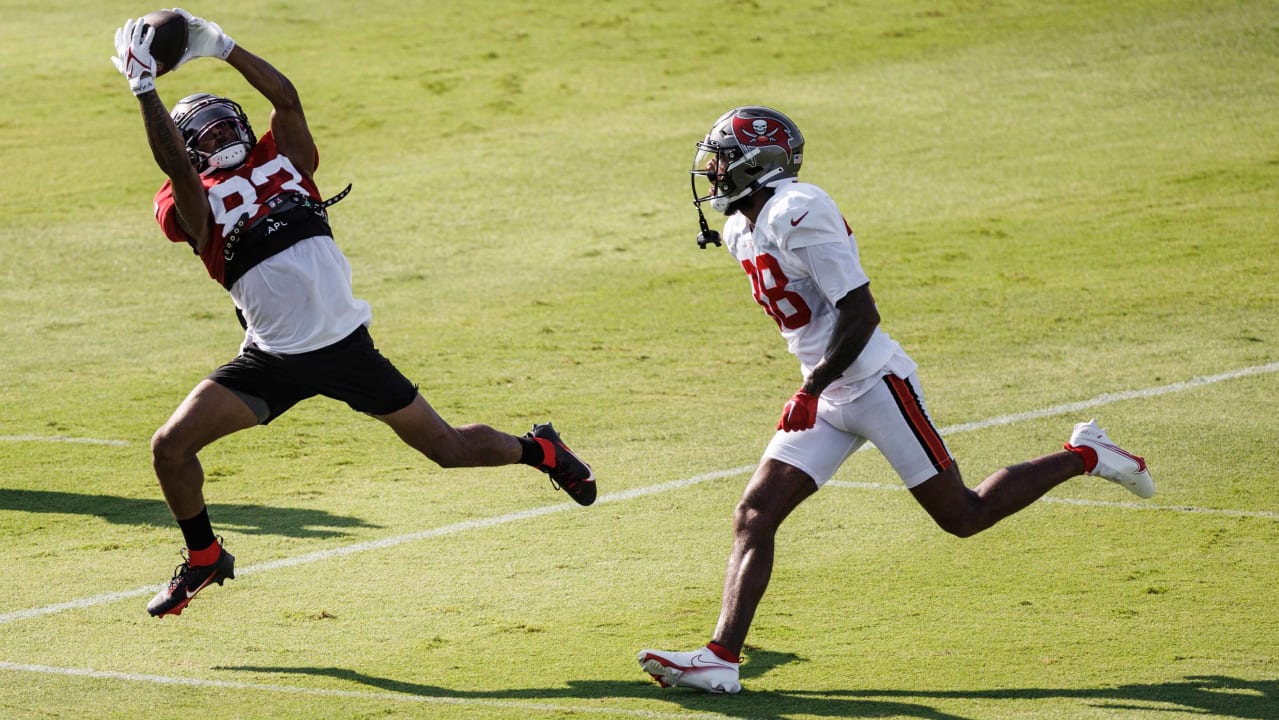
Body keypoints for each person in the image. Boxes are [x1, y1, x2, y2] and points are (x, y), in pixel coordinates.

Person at [637, 106, 1153, 694]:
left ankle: (1085, 453)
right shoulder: (742, 226)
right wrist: (816, 387)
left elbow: (861, 313)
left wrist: (810, 388)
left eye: (724, 159)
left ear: (760, 164)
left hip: (875, 383)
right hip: (828, 392)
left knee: (964, 515)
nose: (714, 171)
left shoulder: (796, 210)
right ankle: (720, 659)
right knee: (756, 513)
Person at [110, 11, 596, 619]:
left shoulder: (285, 158)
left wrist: (223, 47)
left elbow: (285, 98)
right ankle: (205, 555)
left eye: (221, 127)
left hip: (343, 347)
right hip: (272, 359)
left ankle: (540, 451)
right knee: (169, 448)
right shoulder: (188, 202)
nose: (215, 139)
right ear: (187, 151)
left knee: (446, 449)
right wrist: (143, 88)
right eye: (201, 138)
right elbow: (178, 170)